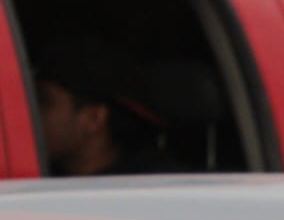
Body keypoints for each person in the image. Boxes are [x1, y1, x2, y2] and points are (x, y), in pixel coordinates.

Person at [32, 38, 181, 177]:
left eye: (42, 102)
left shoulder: (156, 188)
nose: (29, 114)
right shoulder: (40, 180)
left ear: (94, 119)